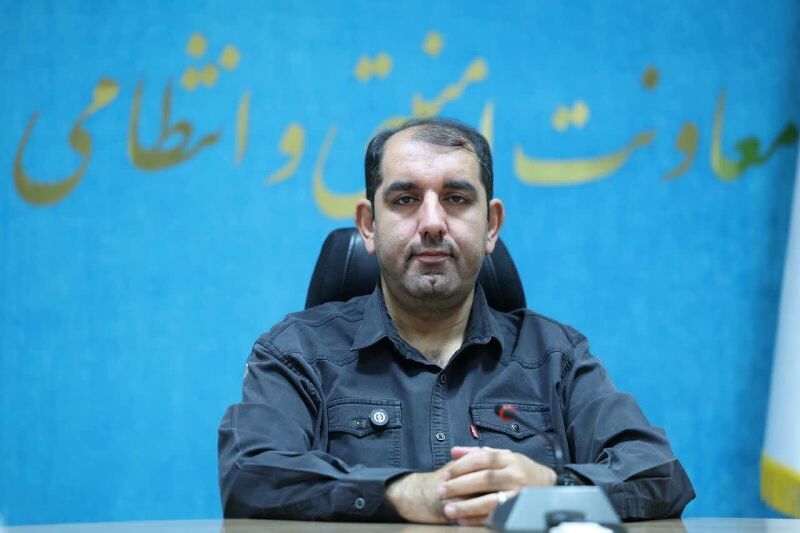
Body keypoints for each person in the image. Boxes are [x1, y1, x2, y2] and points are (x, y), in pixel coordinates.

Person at [218, 117, 695, 525]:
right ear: (369, 224)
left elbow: (658, 473)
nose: (431, 223)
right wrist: (402, 492)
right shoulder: (297, 352)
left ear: (491, 225)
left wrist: (554, 486)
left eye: (456, 198)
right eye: (405, 199)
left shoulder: (556, 357)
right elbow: (249, 474)